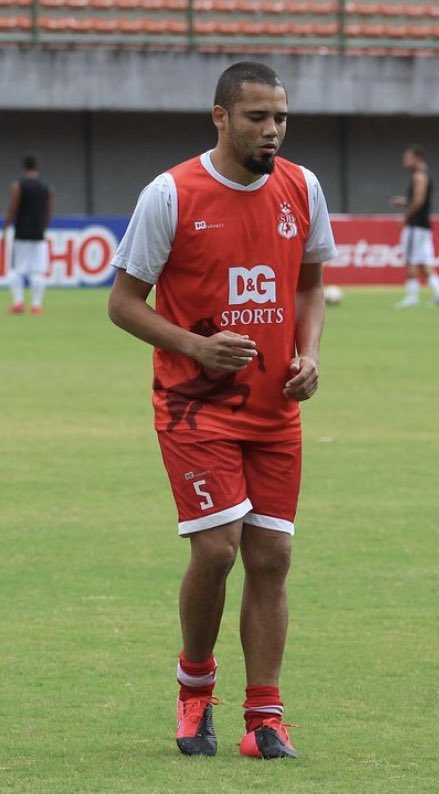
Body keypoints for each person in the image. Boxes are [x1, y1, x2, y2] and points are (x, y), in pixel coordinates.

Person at [108, 61, 337, 760]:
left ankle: (265, 717)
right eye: (256, 118)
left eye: (280, 118)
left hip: (274, 409)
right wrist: (194, 348)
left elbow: (310, 284)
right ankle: (193, 688)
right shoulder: (170, 194)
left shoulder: (303, 187)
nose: (271, 131)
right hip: (193, 407)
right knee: (216, 549)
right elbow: (122, 304)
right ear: (220, 117)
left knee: (272, 555)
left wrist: (308, 355)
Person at [3, 154, 53, 315]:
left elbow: (13, 207)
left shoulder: (18, 185)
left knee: (17, 270)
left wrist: (6, 227)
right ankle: (36, 305)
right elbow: (49, 211)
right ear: (37, 167)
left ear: (24, 167)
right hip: (39, 234)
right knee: (37, 271)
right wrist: (43, 228)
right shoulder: (47, 188)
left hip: (22, 233)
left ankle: (18, 303)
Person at [391, 144, 439, 308]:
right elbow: (419, 201)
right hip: (423, 226)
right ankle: (437, 292)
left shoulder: (419, 176)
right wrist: (404, 202)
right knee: (424, 262)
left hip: (416, 225)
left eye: (408, 158)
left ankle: (412, 297)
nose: (405, 162)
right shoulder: (424, 175)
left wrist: (406, 217)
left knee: (410, 258)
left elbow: (419, 201)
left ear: (417, 158)